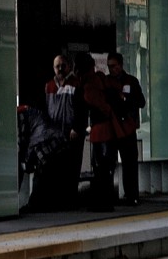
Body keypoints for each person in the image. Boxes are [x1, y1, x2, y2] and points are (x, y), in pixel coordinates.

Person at [74, 52, 119, 211]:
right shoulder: (100, 79)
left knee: (100, 166)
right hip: (107, 128)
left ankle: (103, 201)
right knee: (105, 166)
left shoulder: (89, 85)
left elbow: (100, 106)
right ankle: (105, 200)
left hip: (100, 129)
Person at [40, 53, 85, 210]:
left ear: (69, 66)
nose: (60, 69)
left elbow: (81, 110)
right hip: (54, 134)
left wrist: (77, 128)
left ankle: (70, 200)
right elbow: (45, 110)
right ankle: (57, 200)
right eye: (57, 66)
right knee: (56, 167)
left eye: (63, 65)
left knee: (71, 168)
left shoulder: (75, 85)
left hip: (70, 133)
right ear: (53, 68)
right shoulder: (48, 86)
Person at [105, 52, 146, 206]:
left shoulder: (131, 81)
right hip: (112, 128)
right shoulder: (107, 82)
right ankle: (111, 195)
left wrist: (126, 99)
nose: (111, 69)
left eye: (114, 66)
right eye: (109, 67)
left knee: (130, 163)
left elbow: (141, 102)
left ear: (121, 66)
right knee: (109, 163)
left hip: (127, 127)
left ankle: (132, 195)